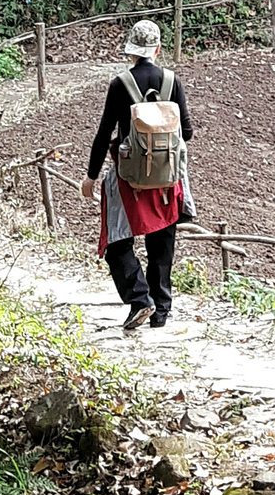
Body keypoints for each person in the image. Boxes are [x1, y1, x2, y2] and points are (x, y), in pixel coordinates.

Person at [81, 17, 193, 332]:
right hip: (167, 179)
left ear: (132, 52)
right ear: (157, 49)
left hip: (130, 180)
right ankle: (161, 312)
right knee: (162, 242)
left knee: (116, 240)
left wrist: (90, 176)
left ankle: (139, 299)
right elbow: (187, 131)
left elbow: (104, 134)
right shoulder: (172, 81)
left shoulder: (121, 84)